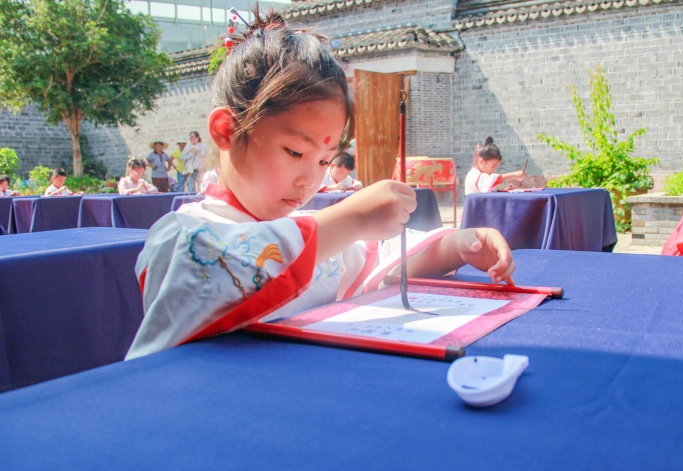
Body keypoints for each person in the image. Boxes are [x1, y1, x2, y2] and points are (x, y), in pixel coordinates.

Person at [125, 9, 515, 360]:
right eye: (295, 152)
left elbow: (381, 259)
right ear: (226, 130)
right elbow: (214, 266)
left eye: (325, 161)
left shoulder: (311, 235)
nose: (310, 179)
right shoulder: (181, 236)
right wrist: (352, 219)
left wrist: (458, 246)